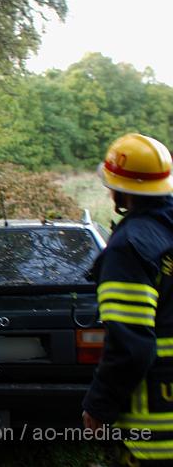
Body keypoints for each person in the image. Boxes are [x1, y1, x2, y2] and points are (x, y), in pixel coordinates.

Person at [82, 133, 173, 466]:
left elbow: (131, 345)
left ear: (118, 190)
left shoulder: (130, 248)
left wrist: (99, 404)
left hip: (157, 432)